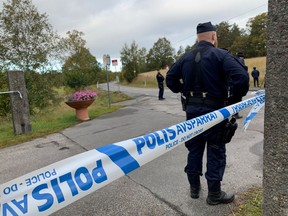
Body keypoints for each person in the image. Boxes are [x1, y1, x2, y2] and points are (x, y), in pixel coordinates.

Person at [166, 22, 249, 205]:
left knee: (194, 148)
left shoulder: (185, 57)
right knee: (215, 149)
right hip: (215, 112)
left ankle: (194, 189)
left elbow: (170, 79)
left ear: (198, 37)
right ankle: (214, 194)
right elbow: (242, 78)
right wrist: (233, 101)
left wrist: (184, 91)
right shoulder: (220, 55)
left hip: (192, 111)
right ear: (213, 36)